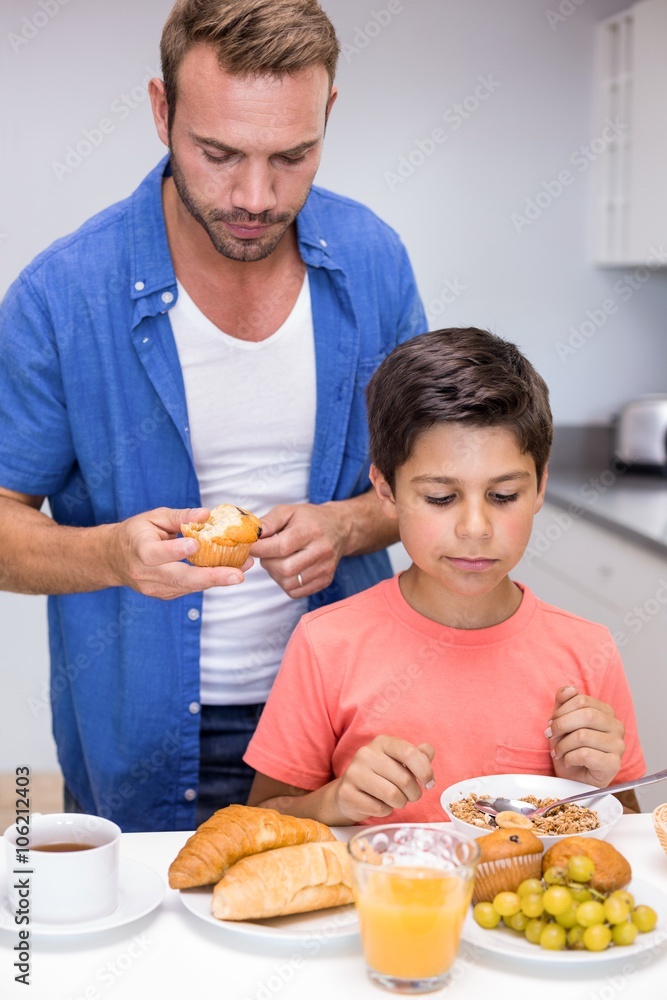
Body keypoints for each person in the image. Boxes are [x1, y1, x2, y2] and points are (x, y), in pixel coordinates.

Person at [0, 0, 426, 831]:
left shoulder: (374, 260)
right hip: (139, 735)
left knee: (345, 950)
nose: (255, 197)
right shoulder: (62, 295)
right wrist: (112, 555)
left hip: (349, 717)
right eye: (218, 153)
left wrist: (344, 525)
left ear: (327, 115)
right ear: (162, 111)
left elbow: (427, 484)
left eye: (292, 156)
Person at [244, 327, 646, 825]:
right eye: (440, 498)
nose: (474, 529)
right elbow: (260, 819)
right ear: (386, 490)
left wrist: (590, 785)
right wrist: (335, 802)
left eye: (503, 497)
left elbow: (631, 828)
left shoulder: (589, 653)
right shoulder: (325, 646)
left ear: (540, 486)